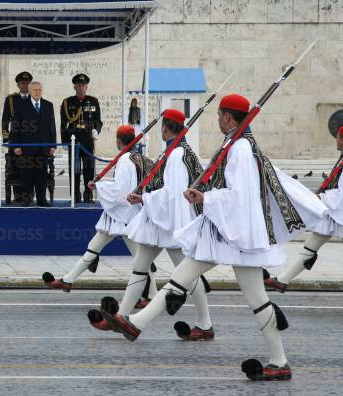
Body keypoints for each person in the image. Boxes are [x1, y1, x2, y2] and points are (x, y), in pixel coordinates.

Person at [101, 94, 327, 381]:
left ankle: (279, 360)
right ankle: (136, 322)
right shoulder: (236, 144)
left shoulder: (241, 149)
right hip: (223, 230)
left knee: (256, 299)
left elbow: (239, 196)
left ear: (228, 118)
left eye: (220, 115)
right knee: (183, 277)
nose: (217, 120)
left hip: (236, 233)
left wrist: (205, 197)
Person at [88, 109, 214, 340]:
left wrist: (144, 198)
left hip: (170, 222)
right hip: (157, 220)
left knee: (187, 275)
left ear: (166, 128)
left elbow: (174, 193)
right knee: (140, 265)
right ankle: (122, 318)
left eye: (162, 128)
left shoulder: (177, 155)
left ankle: (205, 325)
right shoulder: (178, 151)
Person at [43, 125, 151, 292]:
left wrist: (99, 187)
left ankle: (151, 295)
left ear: (118, 141)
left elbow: (119, 191)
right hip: (119, 213)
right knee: (94, 246)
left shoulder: (125, 161)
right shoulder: (136, 157)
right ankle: (68, 280)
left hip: (124, 214)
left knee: (140, 260)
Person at [265, 125, 343, 292]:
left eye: (338, 138)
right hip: (335, 213)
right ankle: (283, 280)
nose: (336, 141)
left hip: (338, 210)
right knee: (312, 244)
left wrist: (321, 198)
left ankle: (284, 280)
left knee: (313, 243)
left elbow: (341, 193)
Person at [10, 81, 56, 207]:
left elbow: (52, 126)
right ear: (30, 91)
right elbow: (15, 127)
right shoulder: (21, 105)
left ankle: (42, 199)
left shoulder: (48, 105)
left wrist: (53, 145)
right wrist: (16, 145)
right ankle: (26, 199)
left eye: (40, 90)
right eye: (35, 90)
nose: (38, 92)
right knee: (27, 175)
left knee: (42, 175)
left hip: (43, 147)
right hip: (27, 147)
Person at [60, 74, 102, 203]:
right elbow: (63, 123)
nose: (81, 87)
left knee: (89, 170)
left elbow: (98, 121)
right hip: (74, 142)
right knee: (75, 170)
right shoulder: (67, 102)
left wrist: (96, 130)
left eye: (83, 85)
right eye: (78, 85)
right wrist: (65, 142)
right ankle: (75, 195)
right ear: (74, 87)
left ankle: (88, 195)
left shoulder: (93, 101)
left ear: (87, 87)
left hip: (88, 141)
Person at [2, 71, 32, 204]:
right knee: (15, 168)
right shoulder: (11, 100)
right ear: (18, 85)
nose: (25, 85)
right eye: (22, 83)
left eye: (27, 83)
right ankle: (17, 195)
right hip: (15, 139)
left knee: (31, 167)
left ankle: (29, 195)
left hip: (31, 139)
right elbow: (5, 119)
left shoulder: (34, 97)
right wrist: (6, 138)